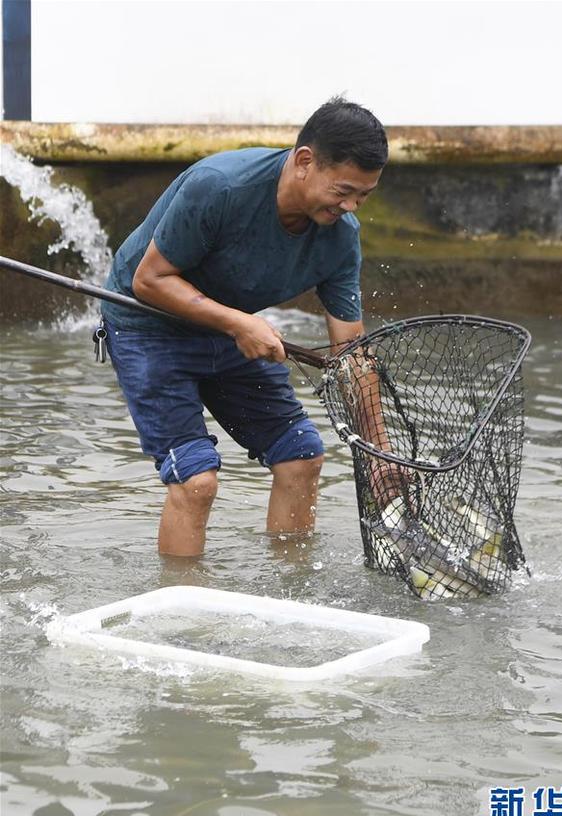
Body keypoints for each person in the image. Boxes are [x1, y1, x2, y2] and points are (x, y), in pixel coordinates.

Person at [101, 97, 389, 557]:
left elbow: (351, 352)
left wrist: (380, 455)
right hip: (148, 322)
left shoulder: (340, 238)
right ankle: (182, 613)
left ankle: (292, 594)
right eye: (343, 190)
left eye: (364, 196)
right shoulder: (219, 188)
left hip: (230, 325)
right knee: (196, 481)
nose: (351, 205)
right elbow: (149, 280)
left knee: (302, 457)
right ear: (304, 162)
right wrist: (238, 323)